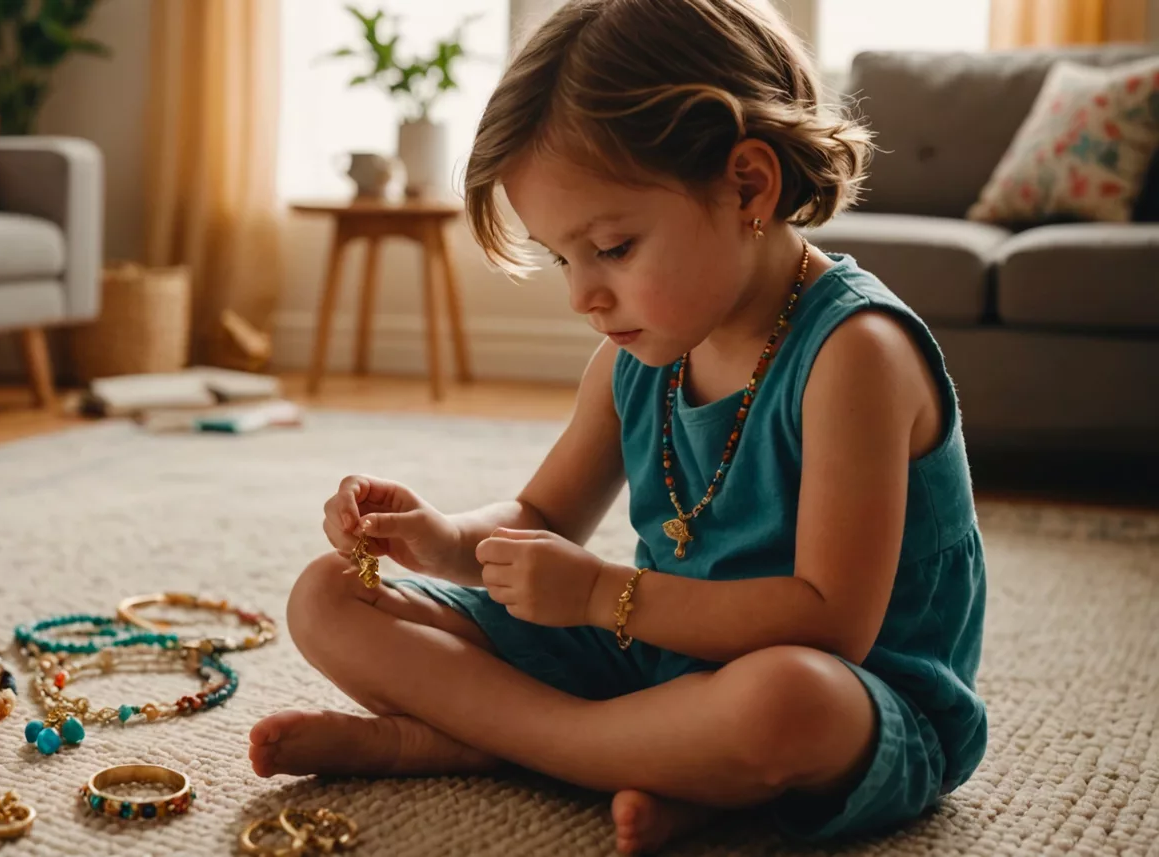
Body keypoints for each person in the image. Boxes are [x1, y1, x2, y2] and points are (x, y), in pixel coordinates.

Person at [249, 0, 987, 852]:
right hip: (656, 662)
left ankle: (497, 741)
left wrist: (603, 595)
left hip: (859, 697)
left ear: (749, 185)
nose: (583, 296)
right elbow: (542, 519)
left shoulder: (855, 354)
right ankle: (650, 763)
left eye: (614, 246)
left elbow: (829, 625)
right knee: (329, 595)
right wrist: (447, 542)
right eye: (566, 258)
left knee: (788, 700)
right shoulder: (641, 353)